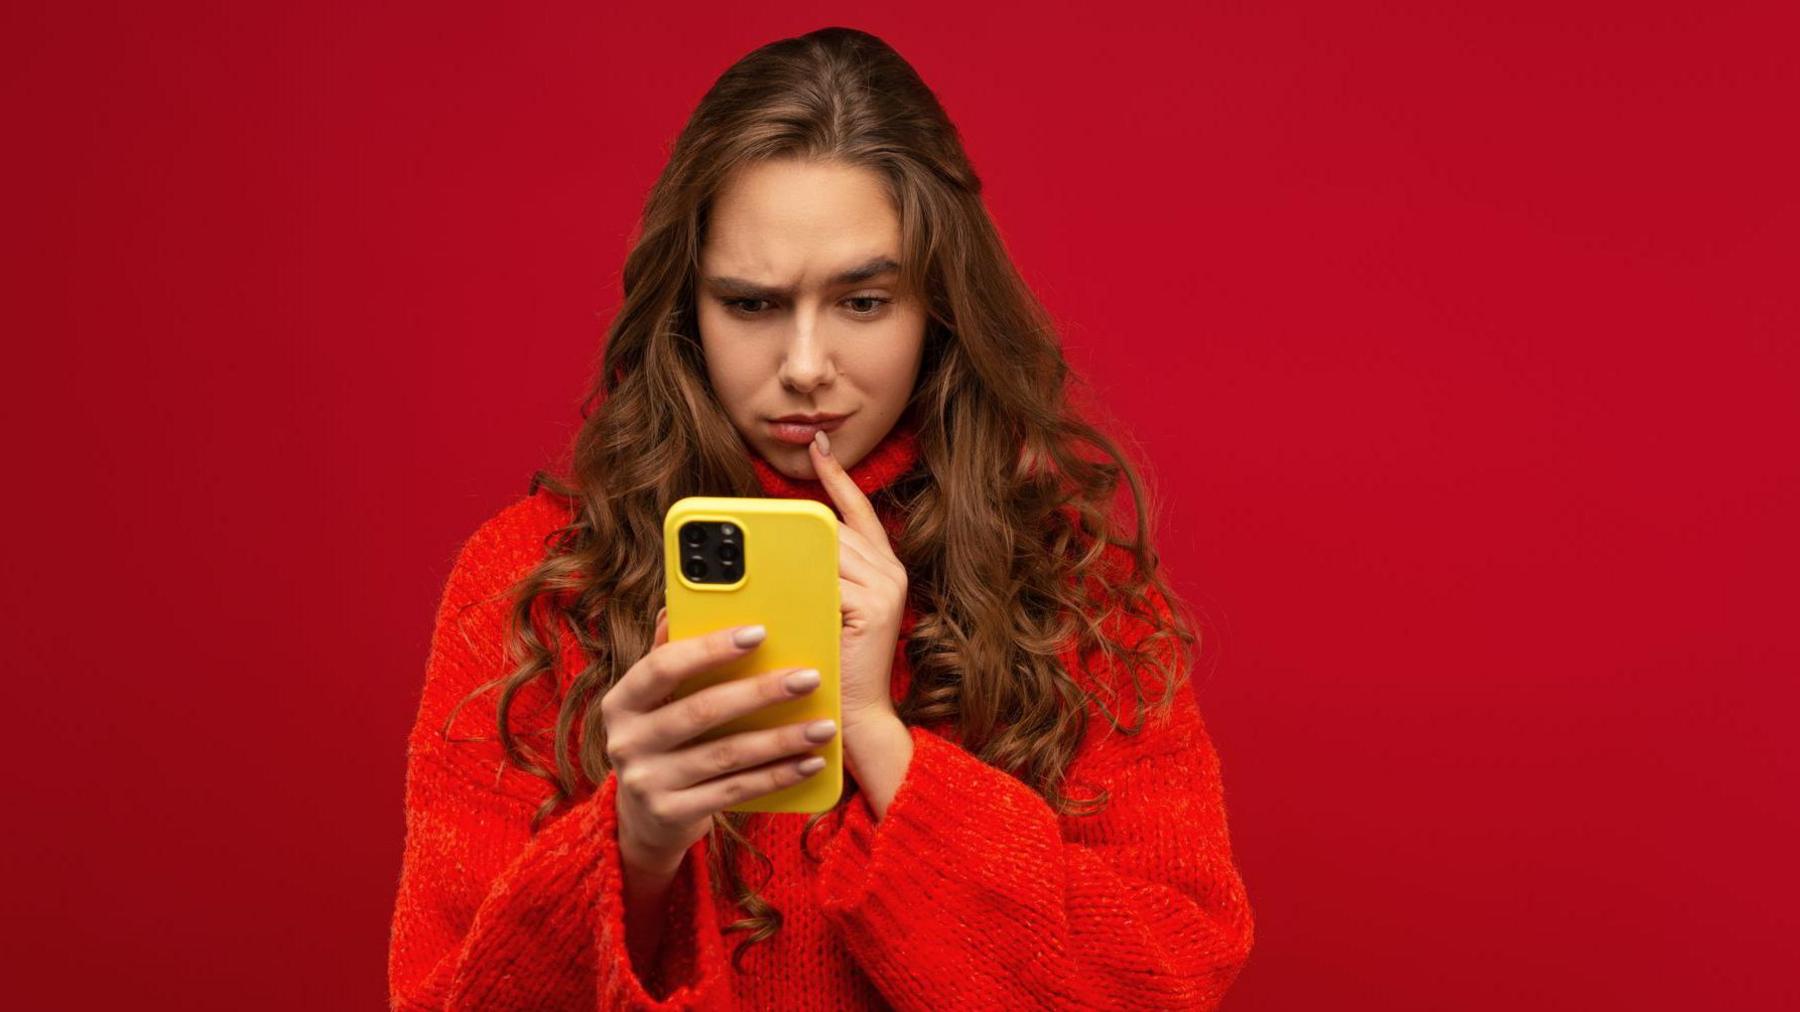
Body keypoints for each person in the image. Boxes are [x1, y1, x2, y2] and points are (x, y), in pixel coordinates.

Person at [387, 25, 1253, 1011]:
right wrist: (634, 844)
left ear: (938, 306)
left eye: (864, 300)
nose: (805, 363)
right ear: (686, 310)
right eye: (752, 305)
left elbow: (1164, 980)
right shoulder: (535, 580)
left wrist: (881, 744)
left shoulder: (1076, 584)